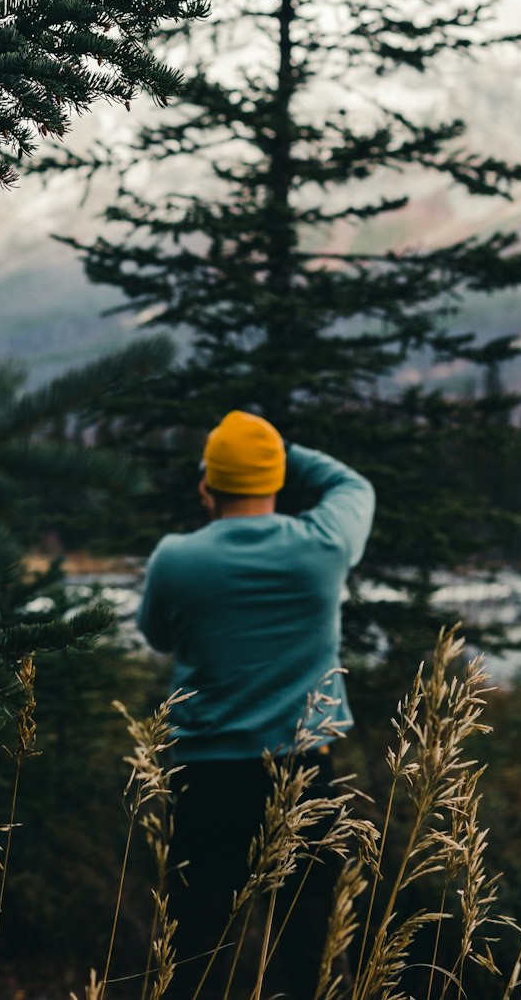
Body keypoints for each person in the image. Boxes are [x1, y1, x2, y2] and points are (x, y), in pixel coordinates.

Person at [137, 410, 375, 1000]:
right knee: (313, 958)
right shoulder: (324, 544)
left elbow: (159, 636)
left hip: (206, 781)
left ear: (206, 485)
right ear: (273, 480)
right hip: (303, 773)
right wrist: (276, 451)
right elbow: (354, 485)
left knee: (192, 959)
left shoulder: (175, 558)